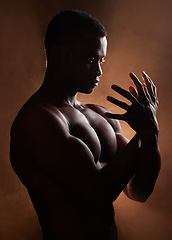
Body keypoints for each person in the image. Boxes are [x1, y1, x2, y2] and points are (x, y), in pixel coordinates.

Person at [10, 10, 161, 240]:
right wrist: (144, 133)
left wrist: (150, 135)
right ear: (59, 53)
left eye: (101, 60)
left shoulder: (98, 114)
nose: (99, 71)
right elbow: (97, 194)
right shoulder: (37, 119)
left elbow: (139, 190)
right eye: (91, 59)